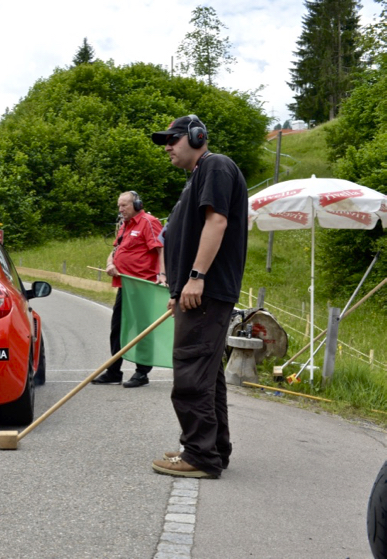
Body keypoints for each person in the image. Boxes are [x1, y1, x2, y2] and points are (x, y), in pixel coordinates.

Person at [149, 115, 248, 479]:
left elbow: (217, 222)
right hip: (194, 292)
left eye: (173, 139)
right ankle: (212, 449)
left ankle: (199, 456)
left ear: (196, 136)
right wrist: (179, 291)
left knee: (191, 372)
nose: (167, 147)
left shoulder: (216, 166)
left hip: (206, 289)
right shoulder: (197, 178)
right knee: (207, 375)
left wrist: (196, 278)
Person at [91, 191, 163, 388]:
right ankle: (114, 372)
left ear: (138, 204)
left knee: (143, 330)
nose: (120, 210)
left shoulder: (148, 222)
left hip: (143, 287)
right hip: (125, 286)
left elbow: (161, 249)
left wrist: (163, 276)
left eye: (124, 206)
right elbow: (115, 250)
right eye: (119, 206)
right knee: (118, 329)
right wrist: (110, 264)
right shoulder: (124, 225)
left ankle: (142, 373)